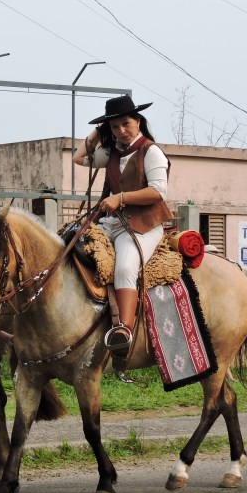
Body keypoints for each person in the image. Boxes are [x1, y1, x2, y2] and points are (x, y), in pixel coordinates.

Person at [72, 92, 173, 356]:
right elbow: (79, 158)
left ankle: (124, 330)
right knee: (71, 246)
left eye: (125, 124)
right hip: (113, 224)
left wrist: (121, 198)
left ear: (138, 121)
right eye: (115, 127)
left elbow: (159, 192)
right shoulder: (113, 152)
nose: (121, 131)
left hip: (144, 226)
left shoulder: (151, 152)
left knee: (126, 266)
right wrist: (99, 130)